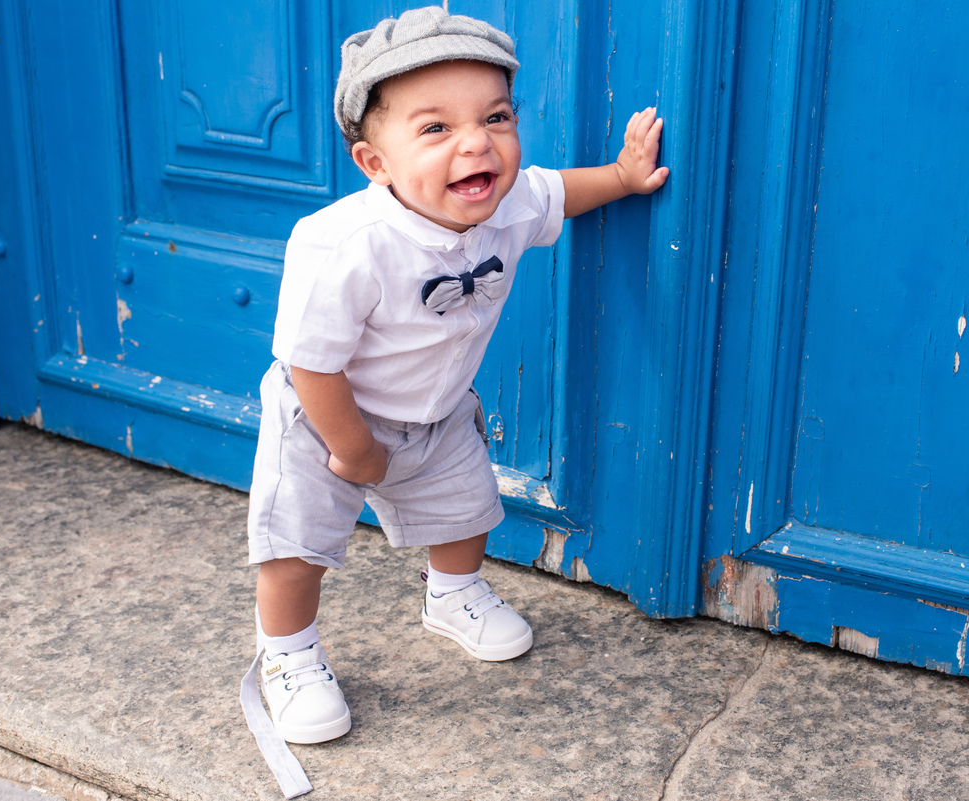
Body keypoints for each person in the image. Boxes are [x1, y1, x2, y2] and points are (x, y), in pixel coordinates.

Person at [241, 7, 668, 796]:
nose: (476, 142)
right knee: (296, 546)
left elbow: (558, 193)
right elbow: (311, 362)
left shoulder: (504, 205)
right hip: (323, 415)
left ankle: (454, 593)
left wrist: (623, 177)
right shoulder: (342, 244)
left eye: (496, 117)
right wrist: (354, 449)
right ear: (374, 160)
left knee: (468, 508)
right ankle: (289, 651)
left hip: (434, 410)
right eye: (435, 129)